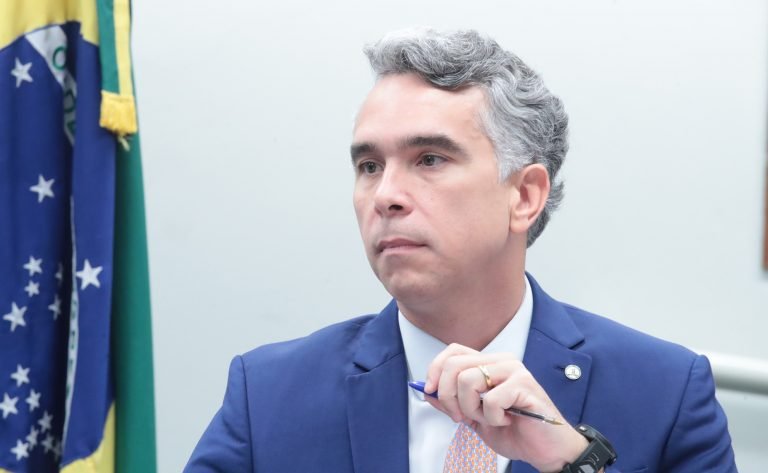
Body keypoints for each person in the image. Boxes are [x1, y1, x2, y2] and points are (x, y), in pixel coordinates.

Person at [184, 28, 737, 473]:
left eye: (429, 159)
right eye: (369, 166)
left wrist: (574, 465)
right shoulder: (268, 394)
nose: (386, 195)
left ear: (524, 196)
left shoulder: (665, 392)